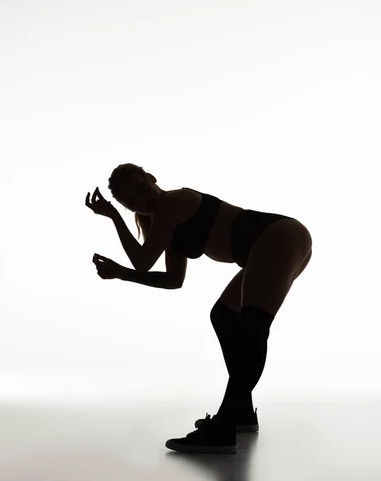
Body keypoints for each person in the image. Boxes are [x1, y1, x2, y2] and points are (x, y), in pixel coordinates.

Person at [86, 162, 313, 454]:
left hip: (279, 235)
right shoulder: (169, 226)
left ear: (152, 177)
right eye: (132, 202)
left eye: (141, 189)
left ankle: (224, 426)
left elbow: (142, 261)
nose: (142, 201)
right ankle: (241, 412)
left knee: (253, 328)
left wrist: (115, 217)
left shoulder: (173, 202)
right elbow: (172, 280)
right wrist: (120, 273)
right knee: (224, 315)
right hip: (273, 243)